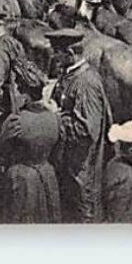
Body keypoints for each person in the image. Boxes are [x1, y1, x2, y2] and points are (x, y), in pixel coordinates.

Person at [49, 28, 110, 223]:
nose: (54, 57)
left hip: (82, 168)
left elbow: (86, 130)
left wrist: (55, 117)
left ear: (70, 54)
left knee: (82, 214)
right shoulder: (72, 75)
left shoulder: (85, 82)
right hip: (71, 164)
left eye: (57, 53)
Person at [0, 67, 62, 224]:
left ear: (24, 94)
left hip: (21, 180)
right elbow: (58, 152)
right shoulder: (54, 119)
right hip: (48, 178)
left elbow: (2, 152)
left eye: (17, 89)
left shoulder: (16, 121)